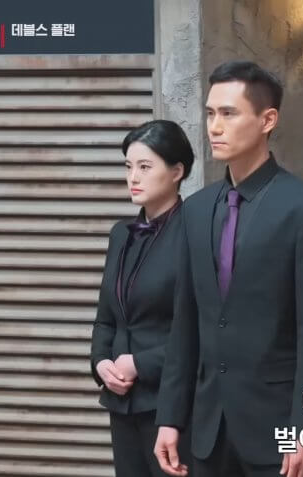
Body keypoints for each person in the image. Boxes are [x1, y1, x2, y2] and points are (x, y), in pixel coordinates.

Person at [153, 60, 303, 477]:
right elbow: (185, 323)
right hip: (210, 429)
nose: (214, 127)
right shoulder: (195, 210)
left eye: (229, 113)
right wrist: (170, 417)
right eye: (211, 113)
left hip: (282, 429)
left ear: (268, 120)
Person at [90, 119, 196, 476]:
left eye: (145, 167)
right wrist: (101, 363)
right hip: (122, 404)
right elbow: (107, 317)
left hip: (172, 406)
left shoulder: (195, 233)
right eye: (128, 166)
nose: (133, 177)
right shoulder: (121, 234)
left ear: (177, 172)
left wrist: (140, 363)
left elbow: (199, 328)